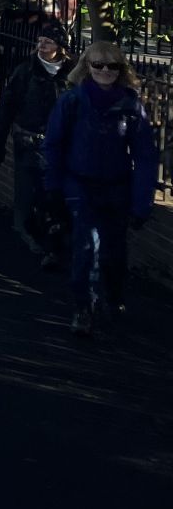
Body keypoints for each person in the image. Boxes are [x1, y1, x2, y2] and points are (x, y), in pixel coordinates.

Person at [44, 41, 160, 334]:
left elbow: (145, 156)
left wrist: (141, 203)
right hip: (81, 184)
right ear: (87, 66)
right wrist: (54, 188)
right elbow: (55, 145)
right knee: (86, 246)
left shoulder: (131, 105)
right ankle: (84, 306)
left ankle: (114, 293)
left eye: (113, 66)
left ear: (121, 69)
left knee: (115, 251)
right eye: (98, 65)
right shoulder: (73, 101)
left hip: (117, 187)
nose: (105, 71)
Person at [0, 21, 72, 265]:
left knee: (52, 194)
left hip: (59, 144)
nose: (42, 45)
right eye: (40, 41)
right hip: (29, 139)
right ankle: (28, 231)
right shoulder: (26, 70)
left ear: (60, 46)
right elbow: (7, 105)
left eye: (48, 41)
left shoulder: (73, 73)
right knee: (27, 188)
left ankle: (50, 240)